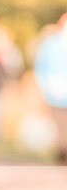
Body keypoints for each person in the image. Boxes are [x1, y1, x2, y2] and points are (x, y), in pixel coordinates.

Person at [34, 13, 67, 164]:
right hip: (57, 91)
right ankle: (61, 150)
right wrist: (43, 86)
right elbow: (41, 66)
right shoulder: (51, 44)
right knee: (60, 122)